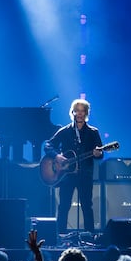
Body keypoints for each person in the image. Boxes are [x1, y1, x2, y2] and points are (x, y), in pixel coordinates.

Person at [44, 98, 103, 234]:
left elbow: (100, 154)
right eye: (77, 111)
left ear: (86, 113)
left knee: (87, 206)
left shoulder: (93, 132)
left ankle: (89, 236)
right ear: (73, 112)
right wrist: (56, 156)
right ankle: (60, 235)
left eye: (83, 111)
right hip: (66, 176)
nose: (80, 114)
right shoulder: (65, 131)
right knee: (64, 206)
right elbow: (48, 145)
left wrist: (98, 154)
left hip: (85, 175)